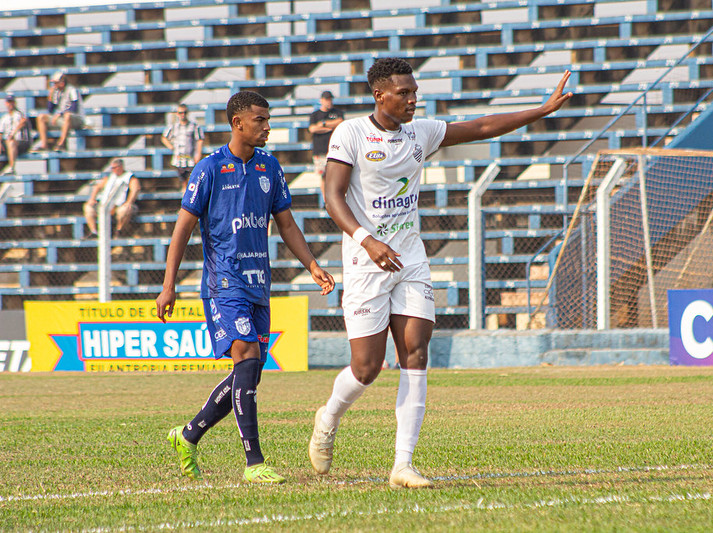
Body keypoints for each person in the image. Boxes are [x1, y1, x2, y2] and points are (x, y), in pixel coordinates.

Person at [308, 57, 572, 489]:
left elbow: (482, 127)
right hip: (365, 261)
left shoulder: (421, 132)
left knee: (416, 352)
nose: (414, 99)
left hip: (409, 258)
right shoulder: (350, 133)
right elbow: (332, 197)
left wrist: (540, 111)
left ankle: (403, 465)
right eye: (405, 93)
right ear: (380, 95)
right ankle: (329, 416)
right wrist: (367, 240)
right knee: (367, 367)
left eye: (415, 92)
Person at [156, 90, 336, 484]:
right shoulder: (207, 169)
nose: (267, 127)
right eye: (260, 120)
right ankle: (254, 462)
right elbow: (182, 229)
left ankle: (187, 436)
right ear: (238, 123)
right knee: (248, 360)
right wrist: (168, 286)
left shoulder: (270, 168)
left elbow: (286, 224)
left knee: (249, 373)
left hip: (259, 285)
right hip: (224, 284)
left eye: (268, 120)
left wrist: (312, 265)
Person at [82, 158, 140, 238]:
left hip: (120, 205)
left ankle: (119, 231)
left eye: (115, 167)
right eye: (112, 168)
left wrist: (129, 202)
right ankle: (94, 232)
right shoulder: (109, 177)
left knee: (124, 210)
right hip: (105, 203)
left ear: (121, 167)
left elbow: (135, 189)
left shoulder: (129, 177)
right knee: (88, 207)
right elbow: (97, 187)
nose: (114, 170)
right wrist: (92, 198)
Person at [33, 71, 85, 152]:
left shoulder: (72, 90)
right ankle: (44, 145)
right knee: (41, 117)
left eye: (56, 83)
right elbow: (50, 110)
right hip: (63, 120)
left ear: (62, 83)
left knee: (67, 115)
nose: (54, 85)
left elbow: (74, 108)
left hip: (76, 119)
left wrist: (60, 114)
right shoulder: (57, 92)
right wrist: (50, 96)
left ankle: (61, 143)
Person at [307, 90, 344, 199]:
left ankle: (337, 199)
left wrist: (323, 124)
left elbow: (341, 122)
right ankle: (326, 200)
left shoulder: (337, 112)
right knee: (324, 176)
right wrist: (329, 128)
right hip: (321, 150)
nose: (329, 102)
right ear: (321, 100)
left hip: (336, 149)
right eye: (327, 99)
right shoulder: (315, 114)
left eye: (330, 99)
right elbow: (312, 129)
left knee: (337, 176)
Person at [161, 104, 204, 191]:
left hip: (190, 158)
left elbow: (199, 139)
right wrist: (171, 147)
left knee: (191, 181)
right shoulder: (173, 126)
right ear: (177, 114)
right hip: (178, 159)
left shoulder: (194, 126)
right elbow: (164, 137)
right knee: (183, 181)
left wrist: (198, 154)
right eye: (180, 113)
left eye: (184, 112)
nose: (182, 115)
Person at [0, 96, 31, 175]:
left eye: (12, 102)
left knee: (11, 142)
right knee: (8, 142)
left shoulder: (19, 114)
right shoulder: (4, 118)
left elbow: (23, 122)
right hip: (7, 143)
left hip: (21, 142)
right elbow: (1, 132)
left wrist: (13, 133)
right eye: (8, 102)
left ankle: (11, 167)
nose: (10, 104)